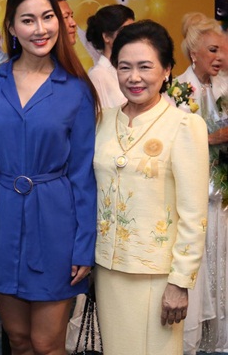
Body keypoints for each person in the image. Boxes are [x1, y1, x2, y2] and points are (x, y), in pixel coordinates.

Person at [0, 0, 99, 355]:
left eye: (48, 17)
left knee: (47, 344)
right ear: (12, 27)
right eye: (28, 20)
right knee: (18, 340)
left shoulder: (76, 88)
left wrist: (84, 247)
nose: (40, 29)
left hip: (55, 224)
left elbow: (83, 174)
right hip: (1, 221)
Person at [93, 19, 209, 354]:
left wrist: (180, 282)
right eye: (124, 67)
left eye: (145, 67)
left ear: (167, 70)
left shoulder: (184, 126)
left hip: (158, 276)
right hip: (108, 270)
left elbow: (194, 214)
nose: (134, 77)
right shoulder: (102, 120)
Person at [173, 12, 228, 354]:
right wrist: (212, 139)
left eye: (223, 50)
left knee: (221, 263)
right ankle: (192, 337)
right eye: (213, 50)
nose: (220, 57)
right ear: (194, 53)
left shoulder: (224, 87)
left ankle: (218, 337)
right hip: (195, 193)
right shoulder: (178, 90)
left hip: (222, 193)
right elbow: (175, 142)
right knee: (198, 264)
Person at [86, 4, 135, 108]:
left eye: (133, 30)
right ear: (106, 37)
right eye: (125, 31)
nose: (132, 36)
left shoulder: (133, 70)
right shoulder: (97, 76)